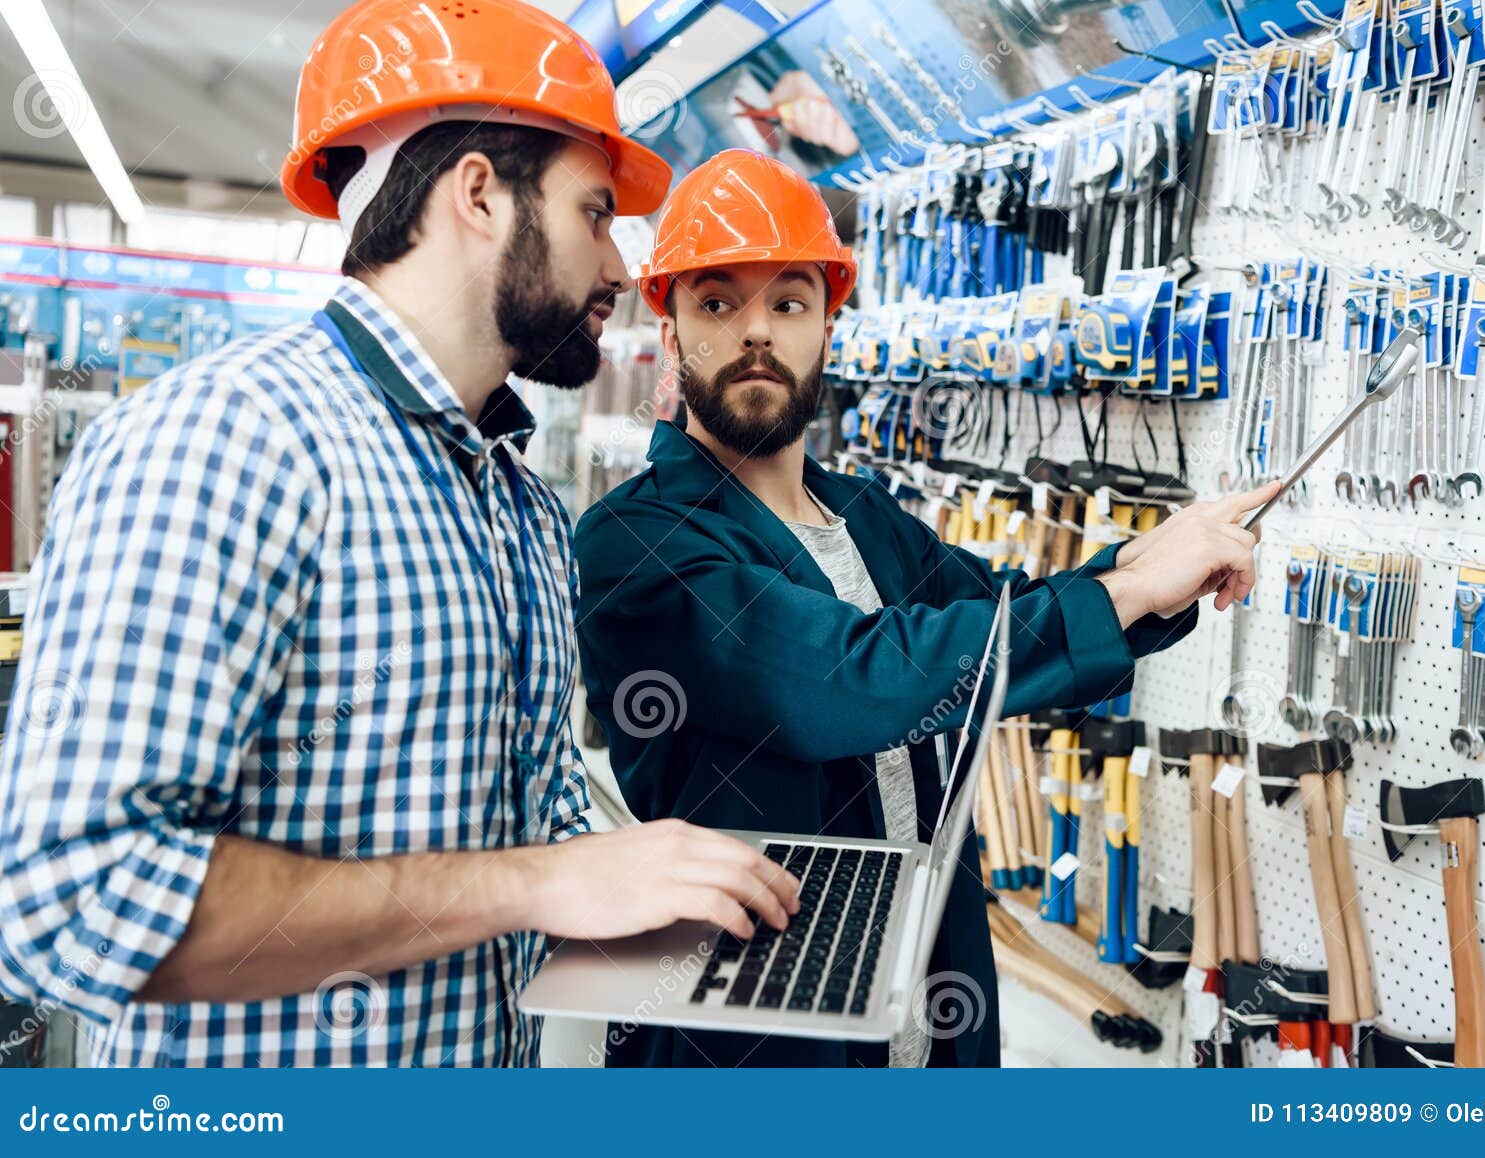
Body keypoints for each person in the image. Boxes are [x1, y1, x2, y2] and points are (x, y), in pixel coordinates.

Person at [0, 3, 798, 1068]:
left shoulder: (514, 504)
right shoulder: (228, 441)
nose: (618, 268)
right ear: (479, 193)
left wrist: (649, 880)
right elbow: (74, 904)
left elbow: (520, 819)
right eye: (595, 214)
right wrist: (531, 882)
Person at [573, 149, 1277, 1068]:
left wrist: (1151, 565)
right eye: (716, 303)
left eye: (788, 302)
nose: (756, 333)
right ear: (669, 331)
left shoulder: (866, 517)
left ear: (829, 325)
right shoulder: (635, 541)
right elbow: (843, 678)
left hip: (925, 999)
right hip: (753, 1028)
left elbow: (1000, 623)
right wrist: (1124, 588)